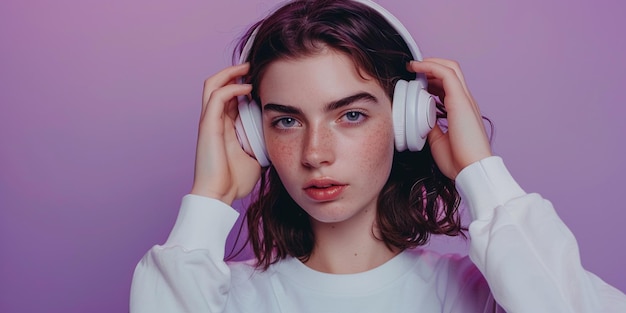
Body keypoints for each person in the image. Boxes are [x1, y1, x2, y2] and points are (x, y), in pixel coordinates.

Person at [130, 0, 626, 312]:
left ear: (407, 120)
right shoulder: (222, 299)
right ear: (256, 140)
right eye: (286, 120)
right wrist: (208, 199)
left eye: (350, 115)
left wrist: (482, 174)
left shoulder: (483, 296)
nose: (314, 154)